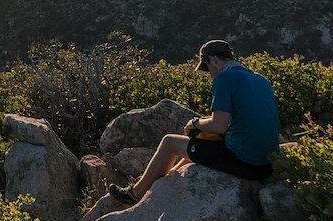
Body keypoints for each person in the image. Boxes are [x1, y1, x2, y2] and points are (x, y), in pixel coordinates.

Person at [108, 39, 280, 205]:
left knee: (170, 142)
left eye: (206, 68)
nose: (210, 74)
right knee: (202, 141)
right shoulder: (260, 79)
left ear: (212, 60)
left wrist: (195, 123)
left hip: (246, 162)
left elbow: (219, 125)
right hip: (268, 163)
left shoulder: (224, 78)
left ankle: (135, 193)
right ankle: (170, 175)